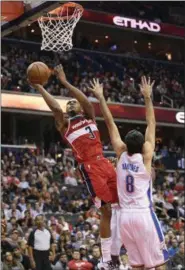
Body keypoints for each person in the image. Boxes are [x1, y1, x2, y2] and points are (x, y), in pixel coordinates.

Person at [29, 64, 118, 270]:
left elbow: (86, 101)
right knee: (105, 209)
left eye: (73, 102)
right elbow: (55, 108)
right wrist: (40, 87)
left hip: (104, 161)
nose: (71, 103)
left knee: (121, 207)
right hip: (89, 167)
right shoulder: (65, 125)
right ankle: (107, 259)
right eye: (68, 103)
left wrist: (65, 81)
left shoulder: (89, 116)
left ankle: (119, 250)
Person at [89, 77, 169, 269]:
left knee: (137, 265)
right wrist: (148, 97)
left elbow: (109, 123)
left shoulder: (121, 153)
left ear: (126, 145)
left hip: (125, 218)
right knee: (160, 263)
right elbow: (151, 123)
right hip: (143, 215)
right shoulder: (146, 157)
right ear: (143, 146)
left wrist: (100, 97)